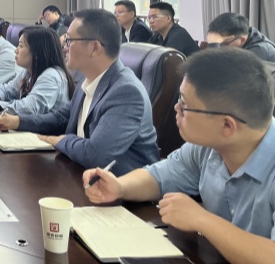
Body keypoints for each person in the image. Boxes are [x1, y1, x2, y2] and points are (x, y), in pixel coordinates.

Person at [84, 48, 275, 264]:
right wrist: (120, 187)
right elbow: (159, 176)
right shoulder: (206, 147)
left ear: (227, 125)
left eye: (184, 104)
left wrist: (203, 220)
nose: (176, 108)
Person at [0, 9, 159, 176]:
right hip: (79, 171)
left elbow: (96, 154)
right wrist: (17, 121)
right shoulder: (89, 80)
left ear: (94, 48)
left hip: (118, 187)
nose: (64, 46)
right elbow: (61, 118)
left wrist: (61, 140)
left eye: (69, 40)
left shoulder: (126, 92)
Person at [0, 26, 73, 120]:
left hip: (46, 132)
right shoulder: (29, 71)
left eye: (20, 46)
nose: (16, 50)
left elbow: (29, 108)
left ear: (36, 53)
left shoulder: (51, 76)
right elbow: (9, 90)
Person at [206, 12, 275, 62]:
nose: (220, 48)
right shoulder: (245, 35)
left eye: (224, 44)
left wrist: (213, 45)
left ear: (242, 40)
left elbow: (221, 74)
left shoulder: (259, 50)